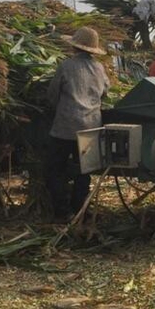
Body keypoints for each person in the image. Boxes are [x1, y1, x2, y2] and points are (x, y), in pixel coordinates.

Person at [45, 27, 109, 220]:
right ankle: (80, 210)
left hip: (66, 126)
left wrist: (56, 108)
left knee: (54, 169)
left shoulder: (66, 66)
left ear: (75, 47)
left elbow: (52, 95)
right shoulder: (99, 68)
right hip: (91, 127)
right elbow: (105, 92)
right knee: (84, 172)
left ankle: (62, 212)